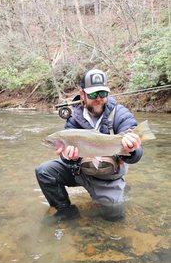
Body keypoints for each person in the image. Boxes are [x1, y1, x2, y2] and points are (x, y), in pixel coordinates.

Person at [35, 69, 142, 221]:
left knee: (114, 218)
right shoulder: (73, 119)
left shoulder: (121, 114)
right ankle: (66, 211)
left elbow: (136, 156)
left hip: (108, 178)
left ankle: (120, 190)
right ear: (82, 94)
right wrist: (67, 158)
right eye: (93, 94)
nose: (98, 98)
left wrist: (133, 149)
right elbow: (67, 160)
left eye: (102, 94)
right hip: (81, 172)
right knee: (44, 171)